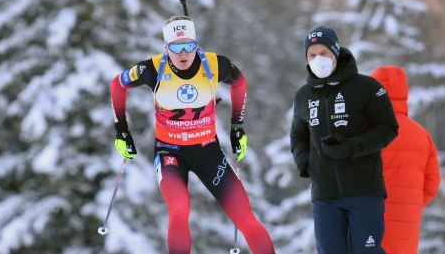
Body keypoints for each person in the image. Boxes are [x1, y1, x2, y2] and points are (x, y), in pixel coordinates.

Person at [110, 15, 275, 254]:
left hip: (207, 150)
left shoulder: (216, 64)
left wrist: (237, 127)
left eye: (189, 45)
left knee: (245, 217)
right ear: (166, 48)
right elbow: (118, 84)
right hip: (170, 153)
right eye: (176, 47)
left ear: (196, 43)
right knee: (179, 209)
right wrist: (121, 131)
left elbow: (240, 84)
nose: (184, 53)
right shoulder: (152, 68)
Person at [290, 26, 399, 254]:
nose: (318, 59)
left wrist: (352, 147)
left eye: (324, 53)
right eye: (312, 55)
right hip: (325, 196)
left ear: (336, 53)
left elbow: (388, 128)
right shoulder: (303, 96)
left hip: (364, 192)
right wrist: (305, 163)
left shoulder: (367, 87)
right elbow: (298, 134)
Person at [370, 66, 441, 254]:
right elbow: (433, 183)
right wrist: (410, 204)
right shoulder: (422, 135)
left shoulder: (364, 133)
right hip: (407, 229)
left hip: (367, 223)